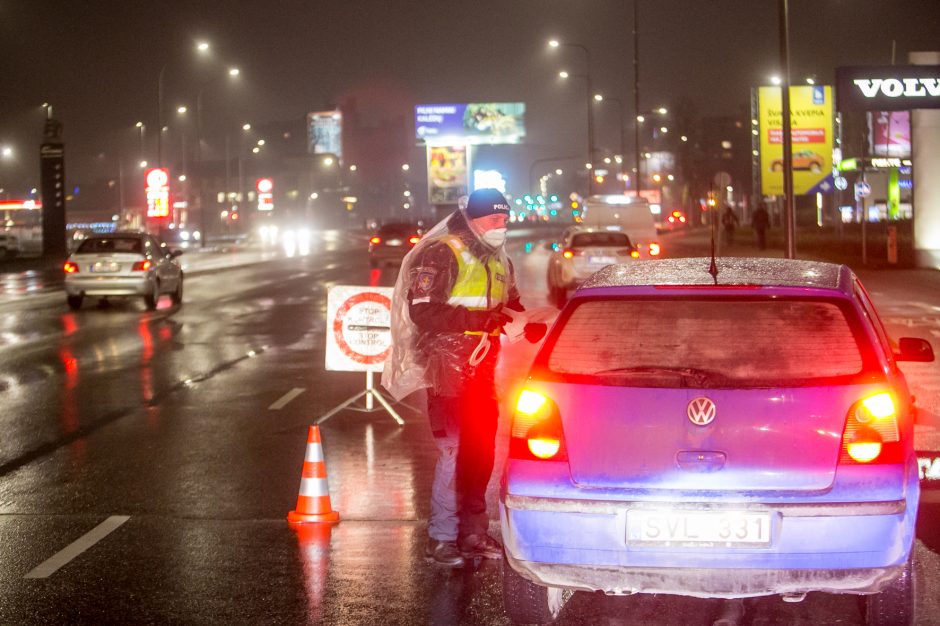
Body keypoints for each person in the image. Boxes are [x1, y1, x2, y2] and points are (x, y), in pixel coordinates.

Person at [382, 188, 546, 568]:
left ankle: (473, 534)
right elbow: (424, 311)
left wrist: (525, 322)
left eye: (505, 220)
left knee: (481, 453)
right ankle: (441, 538)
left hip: (482, 369)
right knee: (454, 452)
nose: (500, 227)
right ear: (473, 218)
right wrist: (481, 320)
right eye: (494, 220)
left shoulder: (499, 258)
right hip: (446, 372)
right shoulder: (441, 252)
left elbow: (511, 302)